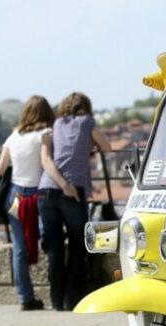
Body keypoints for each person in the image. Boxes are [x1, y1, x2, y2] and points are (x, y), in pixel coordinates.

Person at [38, 92, 110, 311]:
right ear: (86, 107)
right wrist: (90, 145)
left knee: (55, 249)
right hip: (72, 190)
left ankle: (56, 300)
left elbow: (51, 156)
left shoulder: (57, 124)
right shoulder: (87, 122)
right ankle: (73, 298)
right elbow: (106, 147)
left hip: (46, 189)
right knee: (79, 246)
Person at [0, 96, 55, 311]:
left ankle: (25, 297)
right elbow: (46, 161)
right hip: (37, 195)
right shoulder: (45, 134)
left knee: (20, 249)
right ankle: (58, 290)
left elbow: (1, 167)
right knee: (50, 239)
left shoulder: (13, 136)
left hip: (14, 197)